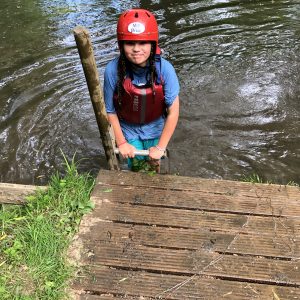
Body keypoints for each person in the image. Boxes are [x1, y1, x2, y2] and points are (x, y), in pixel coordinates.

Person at [104, 8, 180, 172]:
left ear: (153, 44)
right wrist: (122, 142)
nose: (136, 49)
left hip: (155, 127)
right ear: (121, 44)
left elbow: (173, 112)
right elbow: (110, 111)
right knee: (137, 167)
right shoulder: (112, 70)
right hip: (128, 129)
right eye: (130, 43)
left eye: (143, 42)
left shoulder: (165, 70)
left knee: (153, 166)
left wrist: (160, 148)